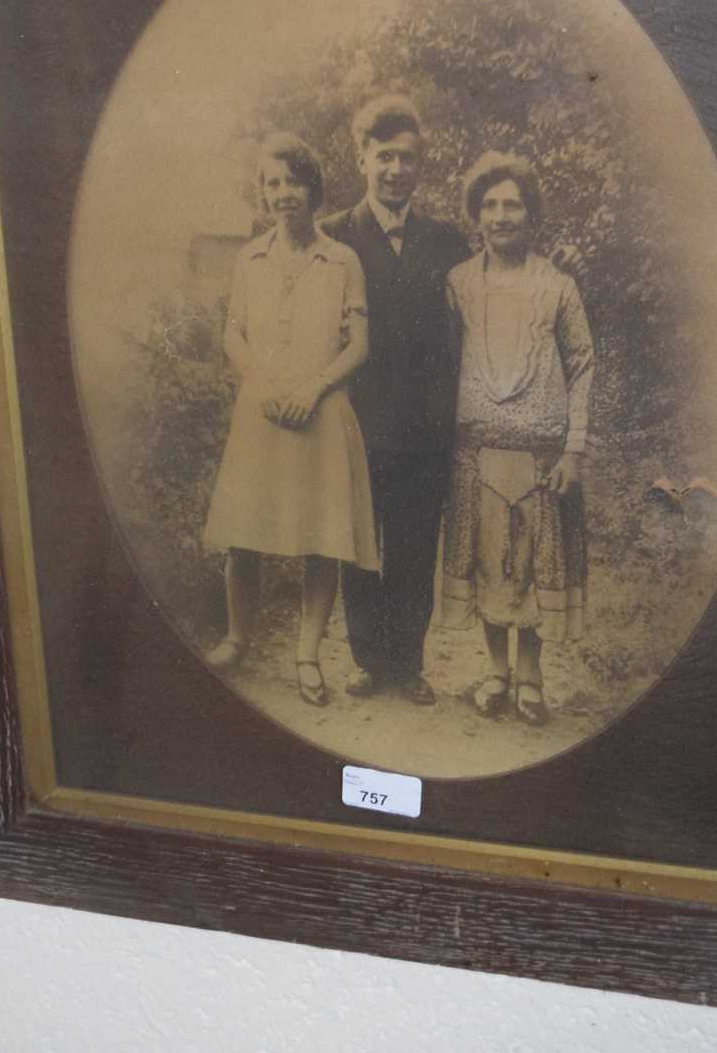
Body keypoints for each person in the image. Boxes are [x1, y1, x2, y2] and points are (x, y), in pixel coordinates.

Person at [203, 132, 378, 707]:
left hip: (321, 412)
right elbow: (234, 332)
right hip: (262, 411)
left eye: (294, 182)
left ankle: (307, 656)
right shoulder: (247, 258)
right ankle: (236, 638)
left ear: (314, 189)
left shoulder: (342, 259)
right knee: (243, 535)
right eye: (272, 183)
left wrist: (311, 388)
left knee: (322, 540)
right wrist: (265, 383)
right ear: (262, 193)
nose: (284, 194)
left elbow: (357, 345)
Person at [323, 95, 471, 704]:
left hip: (425, 428)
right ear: (362, 159)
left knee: (414, 545)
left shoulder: (447, 241)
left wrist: (557, 263)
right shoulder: (332, 236)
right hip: (354, 420)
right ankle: (366, 660)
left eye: (408, 158)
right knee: (358, 543)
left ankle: (407, 664)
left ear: (420, 166)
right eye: (384, 156)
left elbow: (491, 292)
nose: (396, 170)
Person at [441, 152, 594, 726]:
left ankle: (531, 677)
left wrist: (574, 448)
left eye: (512, 204)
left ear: (531, 213)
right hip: (475, 454)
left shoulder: (558, 287)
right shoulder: (457, 284)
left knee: (535, 566)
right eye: (489, 204)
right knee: (487, 562)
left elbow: (582, 363)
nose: (500, 215)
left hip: (541, 457)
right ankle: (495, 671)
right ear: (476, 215)